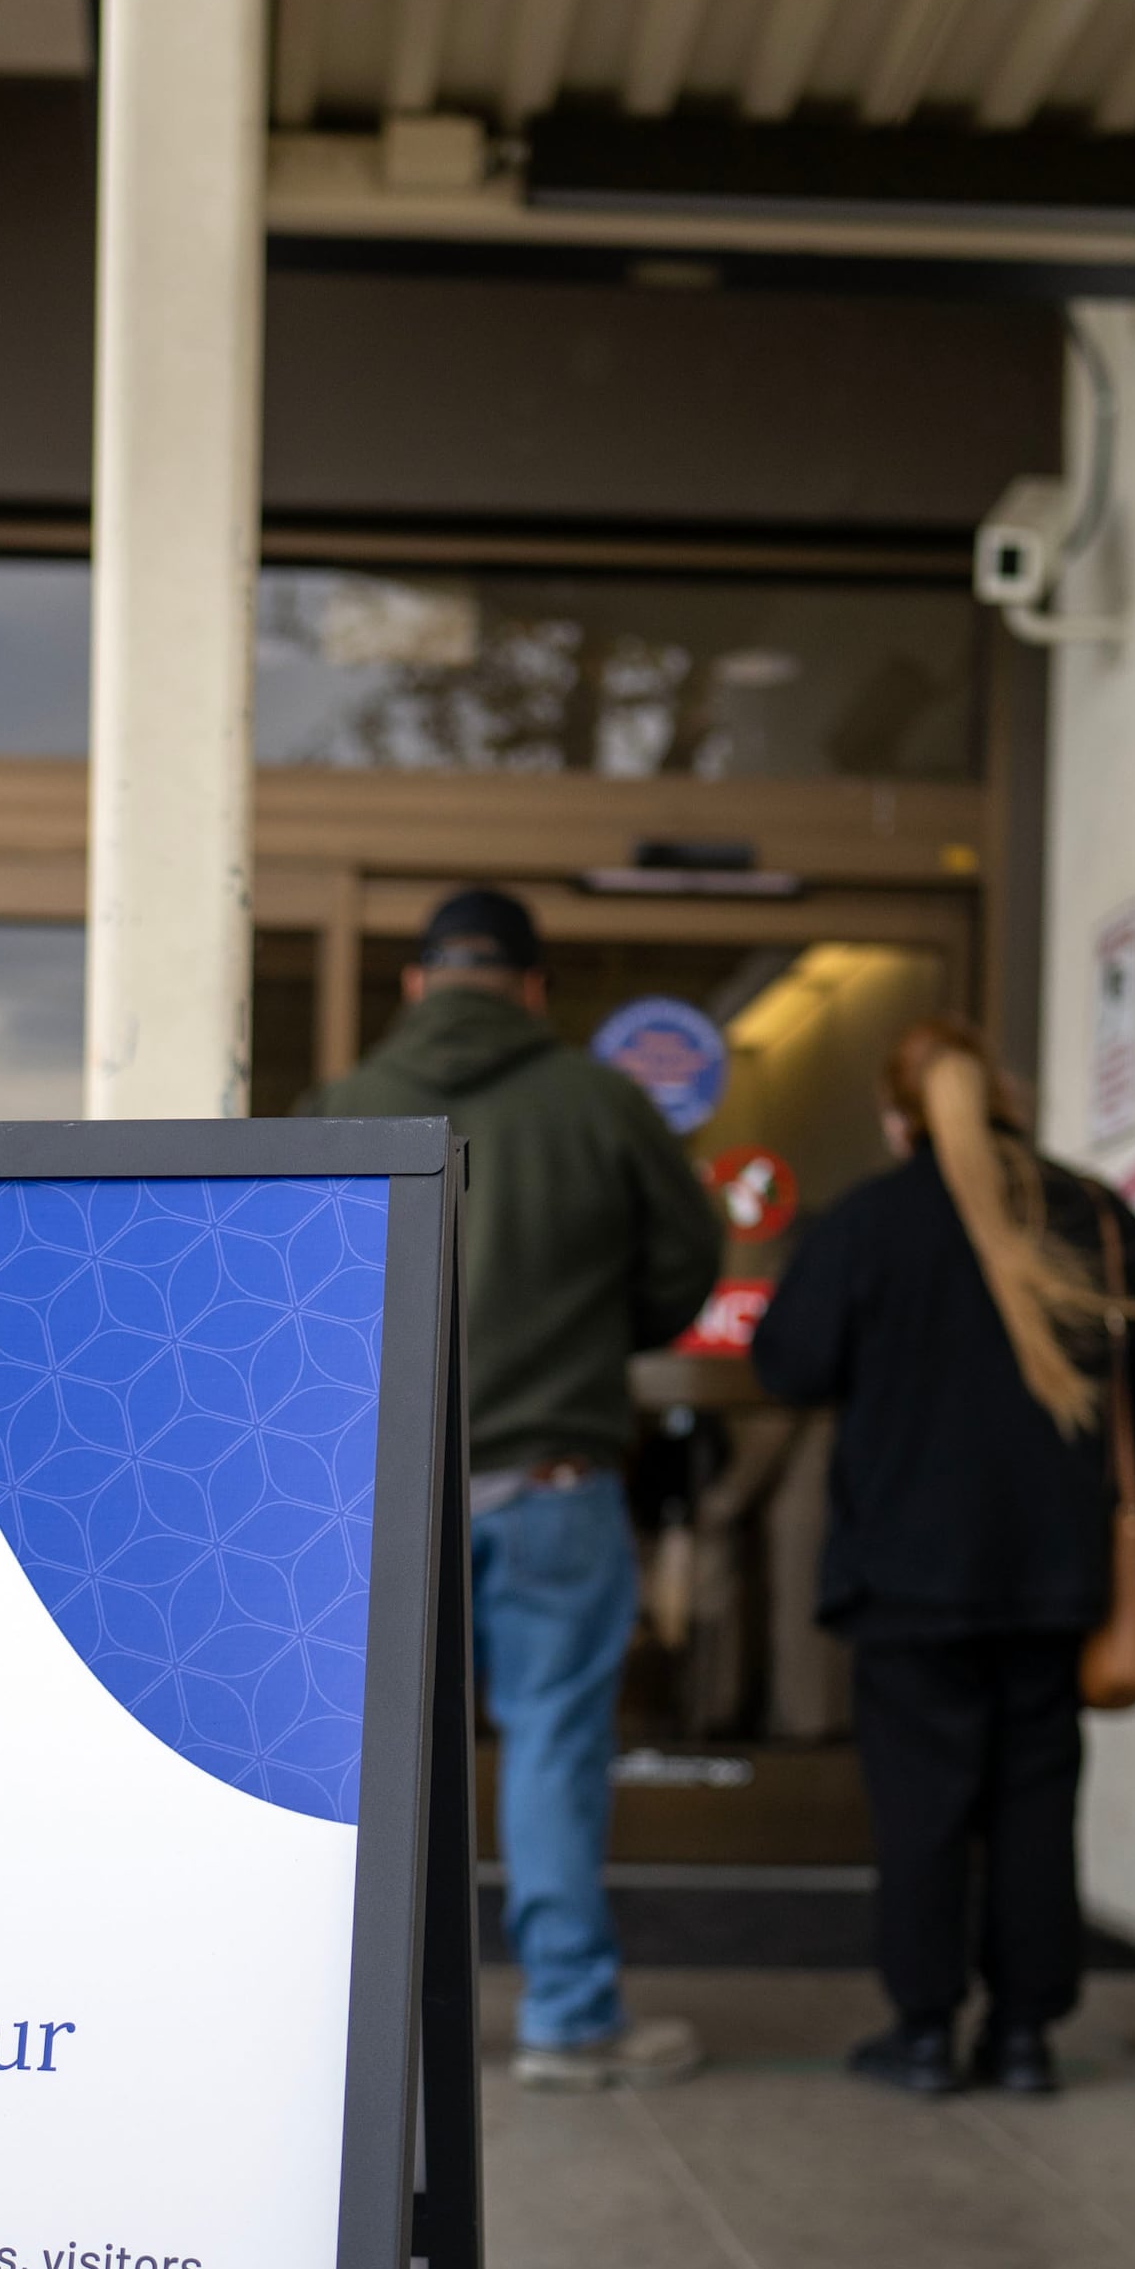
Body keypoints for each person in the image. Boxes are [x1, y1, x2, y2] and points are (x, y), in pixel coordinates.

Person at [313, 886, 722, 2091]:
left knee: (374, 1760)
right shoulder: (602, 1103)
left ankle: (363, 2032)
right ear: (534, 989)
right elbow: (686, 1264)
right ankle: (565, 2019)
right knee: (549, 1750)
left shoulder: (344, 1105)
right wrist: (593, 1333)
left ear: (414, 986)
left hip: (389, 1488)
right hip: (553, 1476)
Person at [745, 1018, 1135, 2100]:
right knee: (1035, 1798)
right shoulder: (1099, 1218)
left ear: (898, 1120)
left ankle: (924, 2031)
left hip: (906, 1575)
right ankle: (1025, 2036)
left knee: (921, 1805)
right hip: (1054, 1569)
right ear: (1008, 1101)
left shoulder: (867, 1224)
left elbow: (787, 1365)